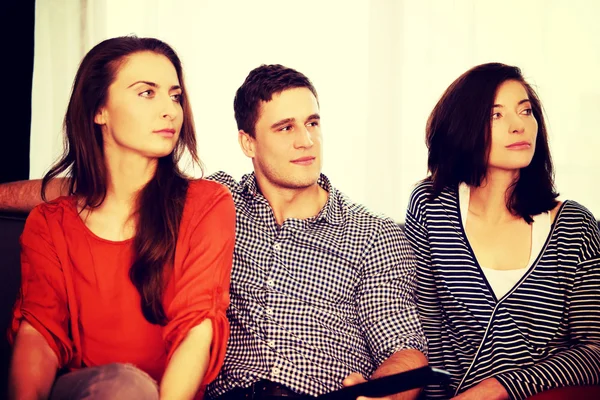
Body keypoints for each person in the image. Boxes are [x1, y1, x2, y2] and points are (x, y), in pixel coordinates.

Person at [0, 64, 428, 399]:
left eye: (313, 123)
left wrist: (382, 395)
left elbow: (404, 349)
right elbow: (106, 185)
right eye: (285, 128)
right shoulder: (208, 202)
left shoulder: (374, 234)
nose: (306, 141)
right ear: (248, 143)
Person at [7, 36, 235, 400]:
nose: (171, 110)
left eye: (175, 96)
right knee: (122, 386)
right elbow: (39, 336)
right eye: (147, 93)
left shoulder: (207, 205)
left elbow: (197, 327)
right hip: (83, 391)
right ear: (100, 110)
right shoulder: (49, 224)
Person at [404, 63, 600, 400]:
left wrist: (502, 387)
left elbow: (595, 351)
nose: (518, 125)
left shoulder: (574, 226)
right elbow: (423, 327)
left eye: (525, 111)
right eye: (496, 115)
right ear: (464, 125)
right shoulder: (431, 205)